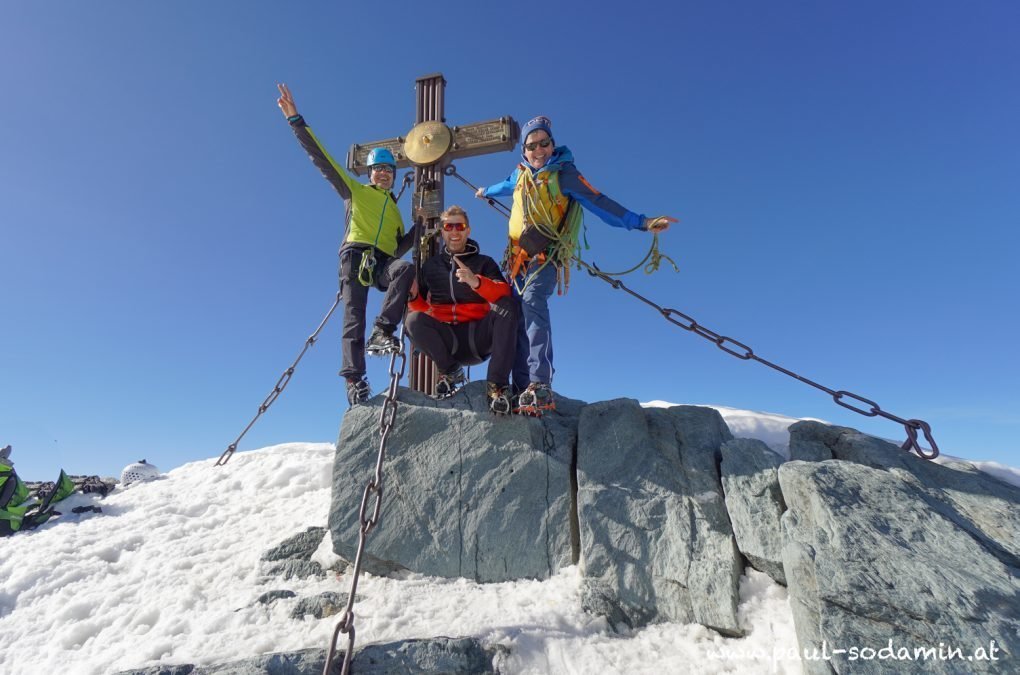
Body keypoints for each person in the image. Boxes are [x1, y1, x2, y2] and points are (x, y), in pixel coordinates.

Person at [476, 115, 677, 416]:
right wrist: (484, 192)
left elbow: (600, 202)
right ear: (524, 151)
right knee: (515, 314)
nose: (539, 150)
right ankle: (522, 388)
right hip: (517, 260)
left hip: (547, 257)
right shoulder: (520, 175)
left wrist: (643, 223)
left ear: (553, 145)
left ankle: (539, 382)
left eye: (545, 143)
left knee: (533, 301)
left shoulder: (564, 175)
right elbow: (503, 186)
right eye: (532, 145)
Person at [277, 83, 415, 406]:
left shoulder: (395, 211)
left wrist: (421, 226)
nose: (383, 174)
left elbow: (397, 250)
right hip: (355, 256)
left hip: (382, 261)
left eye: (388, 170)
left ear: (394, 175)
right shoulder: (355, 191)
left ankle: (383, 330)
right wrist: (296, 121)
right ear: (369, 172)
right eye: (378, 169)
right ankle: (354, 378)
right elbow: (321, 158)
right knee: (353, 314)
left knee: (404, 270)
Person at [405, 206, 518, 414]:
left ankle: (497, 387)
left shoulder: (484, 262)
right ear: (443, 231)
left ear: (468, 231)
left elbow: (504, 293)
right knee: (412, 321)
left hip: (479, 337)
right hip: (449, 340)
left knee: (509, 306)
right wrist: (412, 296)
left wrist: (476, 282)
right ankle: (450, 372)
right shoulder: (431, 266)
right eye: (449, 226)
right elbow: (421, 308)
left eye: (460, 226)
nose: (455, 231)